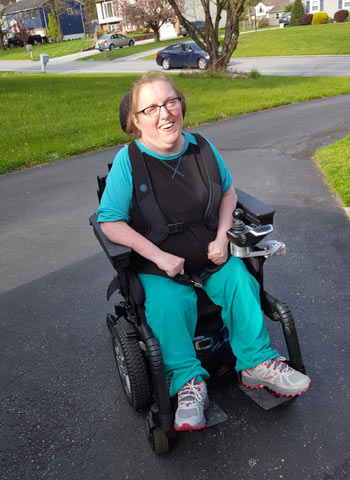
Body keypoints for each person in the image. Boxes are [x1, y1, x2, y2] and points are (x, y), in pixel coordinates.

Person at [97, 71, 311, 431]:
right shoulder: (128, 162)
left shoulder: (202, 147)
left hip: (213, 255)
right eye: (150, 108)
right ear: (135, 121)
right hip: (160, 266)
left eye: (170, 102)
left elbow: (228, 192)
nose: (164, 114)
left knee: (240, 282)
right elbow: (110, 222)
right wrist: (159, 257)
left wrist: (224, 235)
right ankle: (188, 384)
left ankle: (256, 365)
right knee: (167, 305)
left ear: (181, 104)